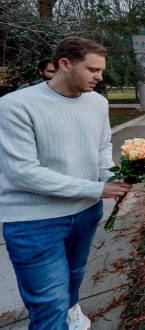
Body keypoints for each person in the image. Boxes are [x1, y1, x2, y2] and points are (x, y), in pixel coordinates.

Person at [0, 37, 132, 330]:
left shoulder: (97, 103)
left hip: (85, 213)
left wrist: (112, 179)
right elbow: (23, 172)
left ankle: (72, 309)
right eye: (92, 69)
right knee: (49, 306)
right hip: (34, 221)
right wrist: (97, 189)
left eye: (101, 70)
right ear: (64, 64)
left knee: (74, 275)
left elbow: (100, 150)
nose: (99, 76)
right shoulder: (15, 106)